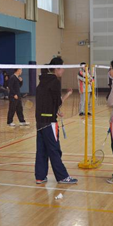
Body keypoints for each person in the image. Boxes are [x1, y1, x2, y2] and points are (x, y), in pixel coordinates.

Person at [35, 57, 76, 185]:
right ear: (57, 68)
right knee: (54, 149)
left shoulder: (43, 80)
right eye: (62, 68)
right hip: (49, 121)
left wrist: (55, 110)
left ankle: (40, 176)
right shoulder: (55, 82)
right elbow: (57, 101)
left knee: (42, 149)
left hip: (40, 120)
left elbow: (46, 100)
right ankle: (62, 176)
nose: (63, 70)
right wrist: (57, 106)